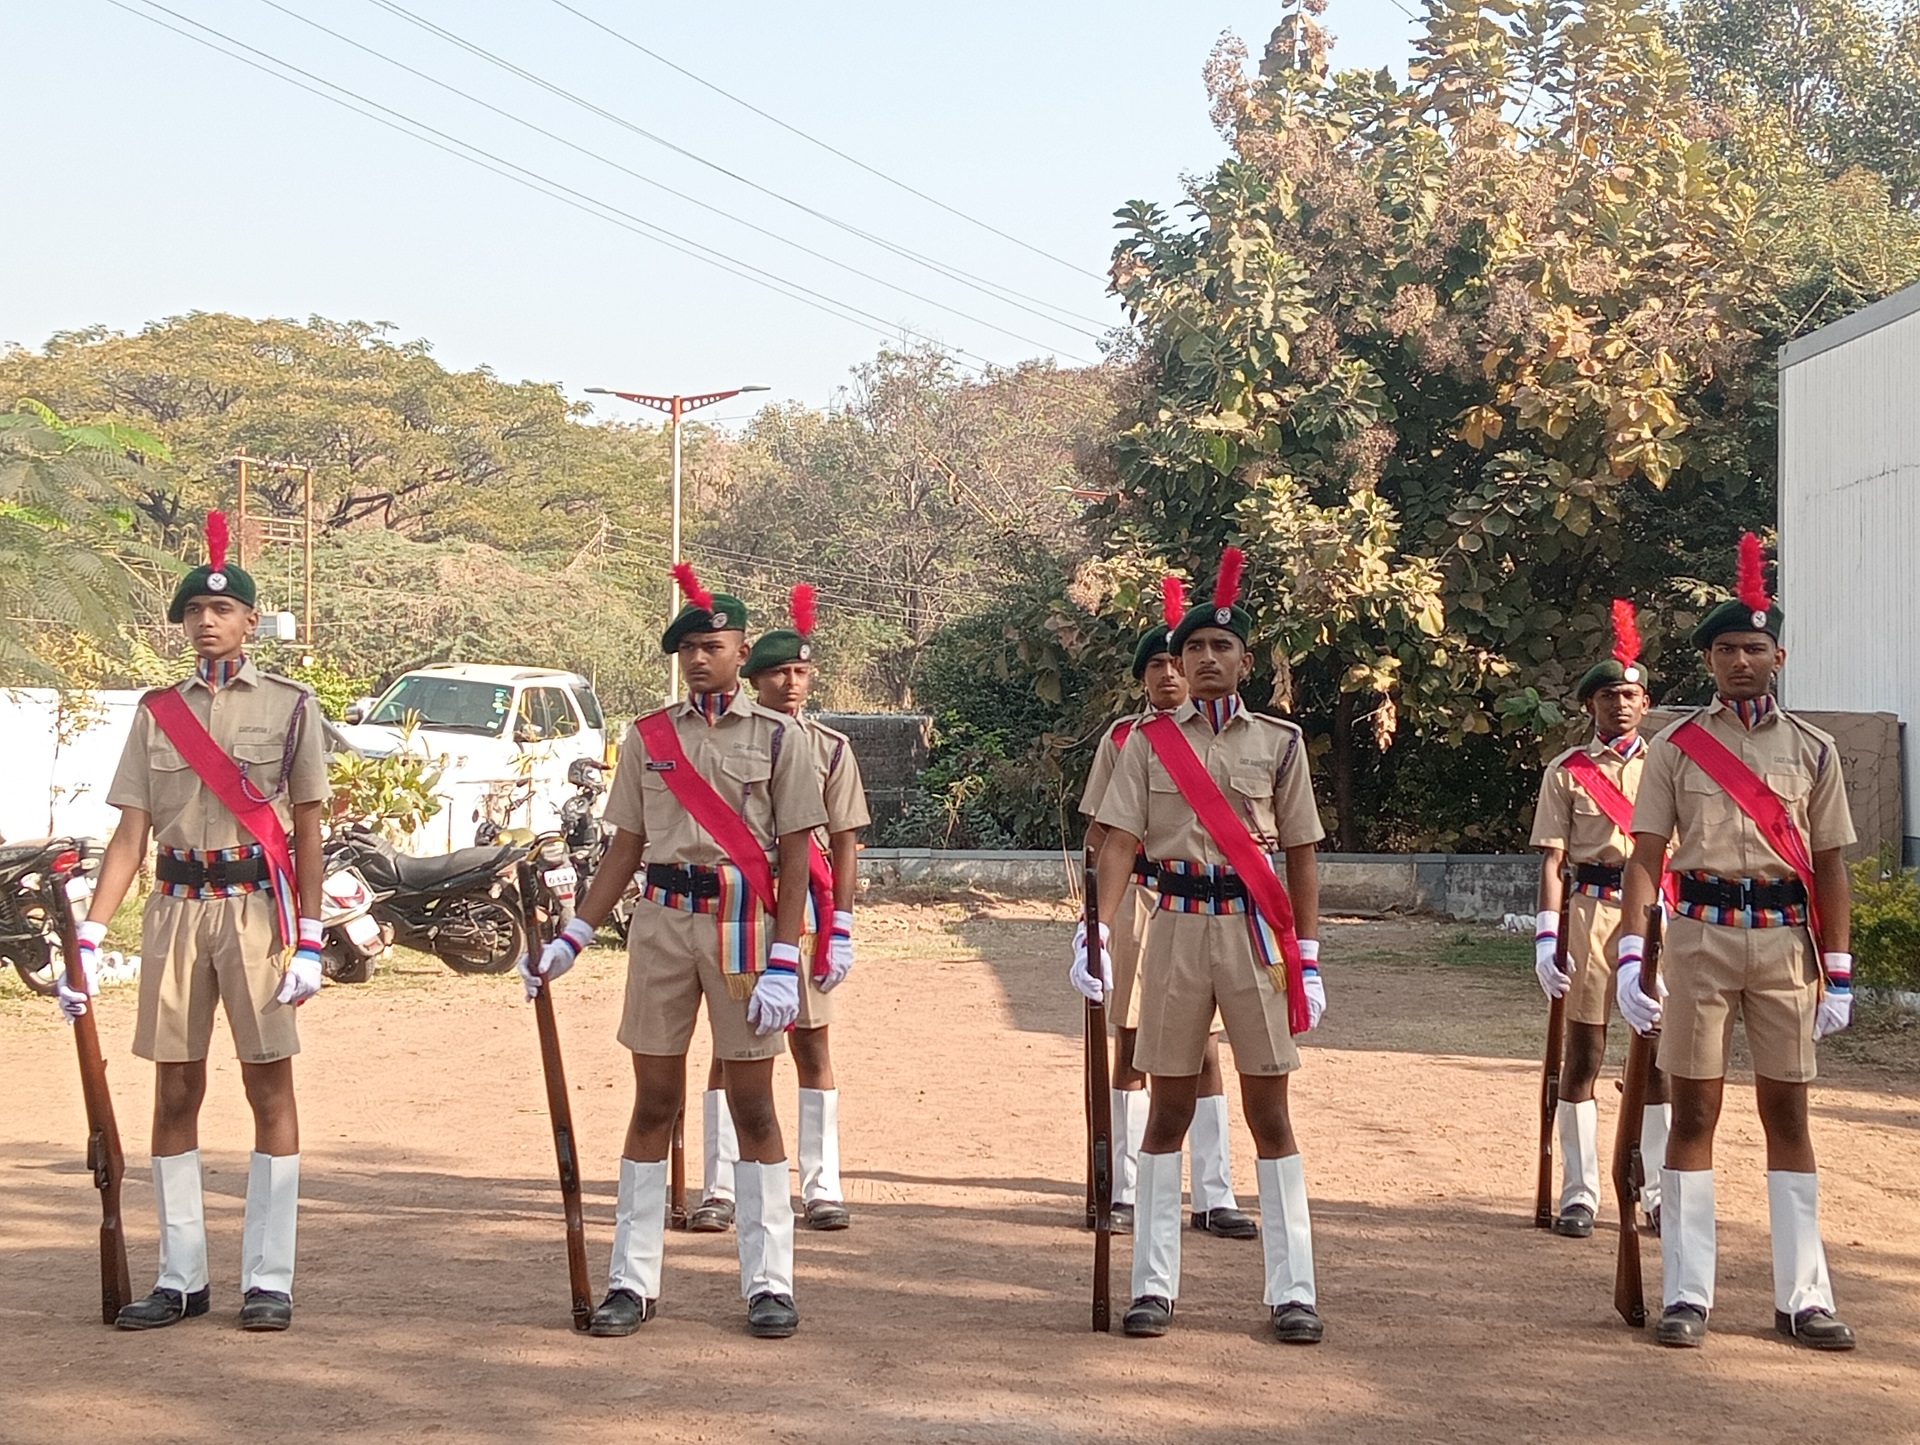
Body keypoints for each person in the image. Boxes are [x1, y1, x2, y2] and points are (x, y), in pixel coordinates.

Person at [522, 564, 828, 1340]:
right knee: (652, 1102)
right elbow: (625, 845)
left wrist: (788, 955)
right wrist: (575, 933)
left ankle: (769, 1282)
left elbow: (796, 855)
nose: (698, 659)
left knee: (754, 1105)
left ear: (740, 649)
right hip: (660, 923)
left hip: (742, 926)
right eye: (687, 648)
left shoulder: (781, 737)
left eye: (712, 645)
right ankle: (632, 1280)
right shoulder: (649, 738)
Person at [57, 512, 328, 1332]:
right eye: (193, 612)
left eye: (222, 610)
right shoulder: (156, 712)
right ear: (181, 623)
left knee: (267, 1084)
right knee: (174, 1087)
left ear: (251, 619)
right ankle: (181, 1276)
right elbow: (131, 833)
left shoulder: (290, 707)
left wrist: (311, 936)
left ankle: (267, 1278)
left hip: (253, 912)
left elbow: (309, 825)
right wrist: (92, 935)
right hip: (174, 911)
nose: (206, 622)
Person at [1075, 547, 1329, 1343]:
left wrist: (1309, 955)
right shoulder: (1147, 744)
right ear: (1177, 660)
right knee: (1168, 1108)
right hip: (1176, 928)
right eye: (1194, 649)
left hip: (1255, 933)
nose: (1208, 659)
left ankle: (1294, 1290)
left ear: (1245, 661)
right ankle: (1153, 1284)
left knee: (1270, 1111)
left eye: (1223, 648)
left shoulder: (1282, 743)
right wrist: (1098, 935)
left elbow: (1301, 854)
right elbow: (1116, 840)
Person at [1617, 534, 1857, 1351]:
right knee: (1694, 1112)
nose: (1741, 661)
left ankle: (1804, 1296)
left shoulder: (1814, 751)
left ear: (1778, 653)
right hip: (1699, 942)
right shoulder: (1676, 748)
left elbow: (1830, 867)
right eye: (1726, 649)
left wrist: (1841, 969)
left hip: (1785, 944)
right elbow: (1646, 857)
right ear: (1710, 660)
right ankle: (1687, 1293)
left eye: (1754, 647)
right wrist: (1628, 952)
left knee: (1788, 1111)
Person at [1078, 577, 1256, 1240]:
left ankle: (1214, 1191)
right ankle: (1121, 1186)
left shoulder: (1231, 736)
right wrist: (1090, 919)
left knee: (1205, 1049)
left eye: (1172, 661)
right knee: (1130, 1042)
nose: (1167, 674)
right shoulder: (1125, 741)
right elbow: (1101, 836)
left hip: (1202, 903)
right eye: (1153, 665)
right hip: (1135, 901)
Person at [691, 585, 869, 1234]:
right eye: (778, 673)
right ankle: (719, 1183)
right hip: (739, 914)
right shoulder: (731, 740)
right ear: (754, 678)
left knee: (812, 1046)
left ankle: (822, 1183)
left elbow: (845, 841)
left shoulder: (830, 746)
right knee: (730, 1051)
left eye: (800, 671)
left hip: (807, 916)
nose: (792, 683)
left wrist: (841, 926)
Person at [1529, 601, 1669, 1238]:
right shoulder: (1567, 773)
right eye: (1610, 695)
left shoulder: (1669, 767)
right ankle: (1580, 1193)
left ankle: (1662, 1189)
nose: (1621, 705)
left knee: (1661, 1058)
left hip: (1657, 916)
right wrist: (1546, 933)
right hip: (1588, 911)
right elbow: (1554, 861)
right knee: (1583, 1053)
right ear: (1591, 705)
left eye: (1632, 695)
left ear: (1646, 703)